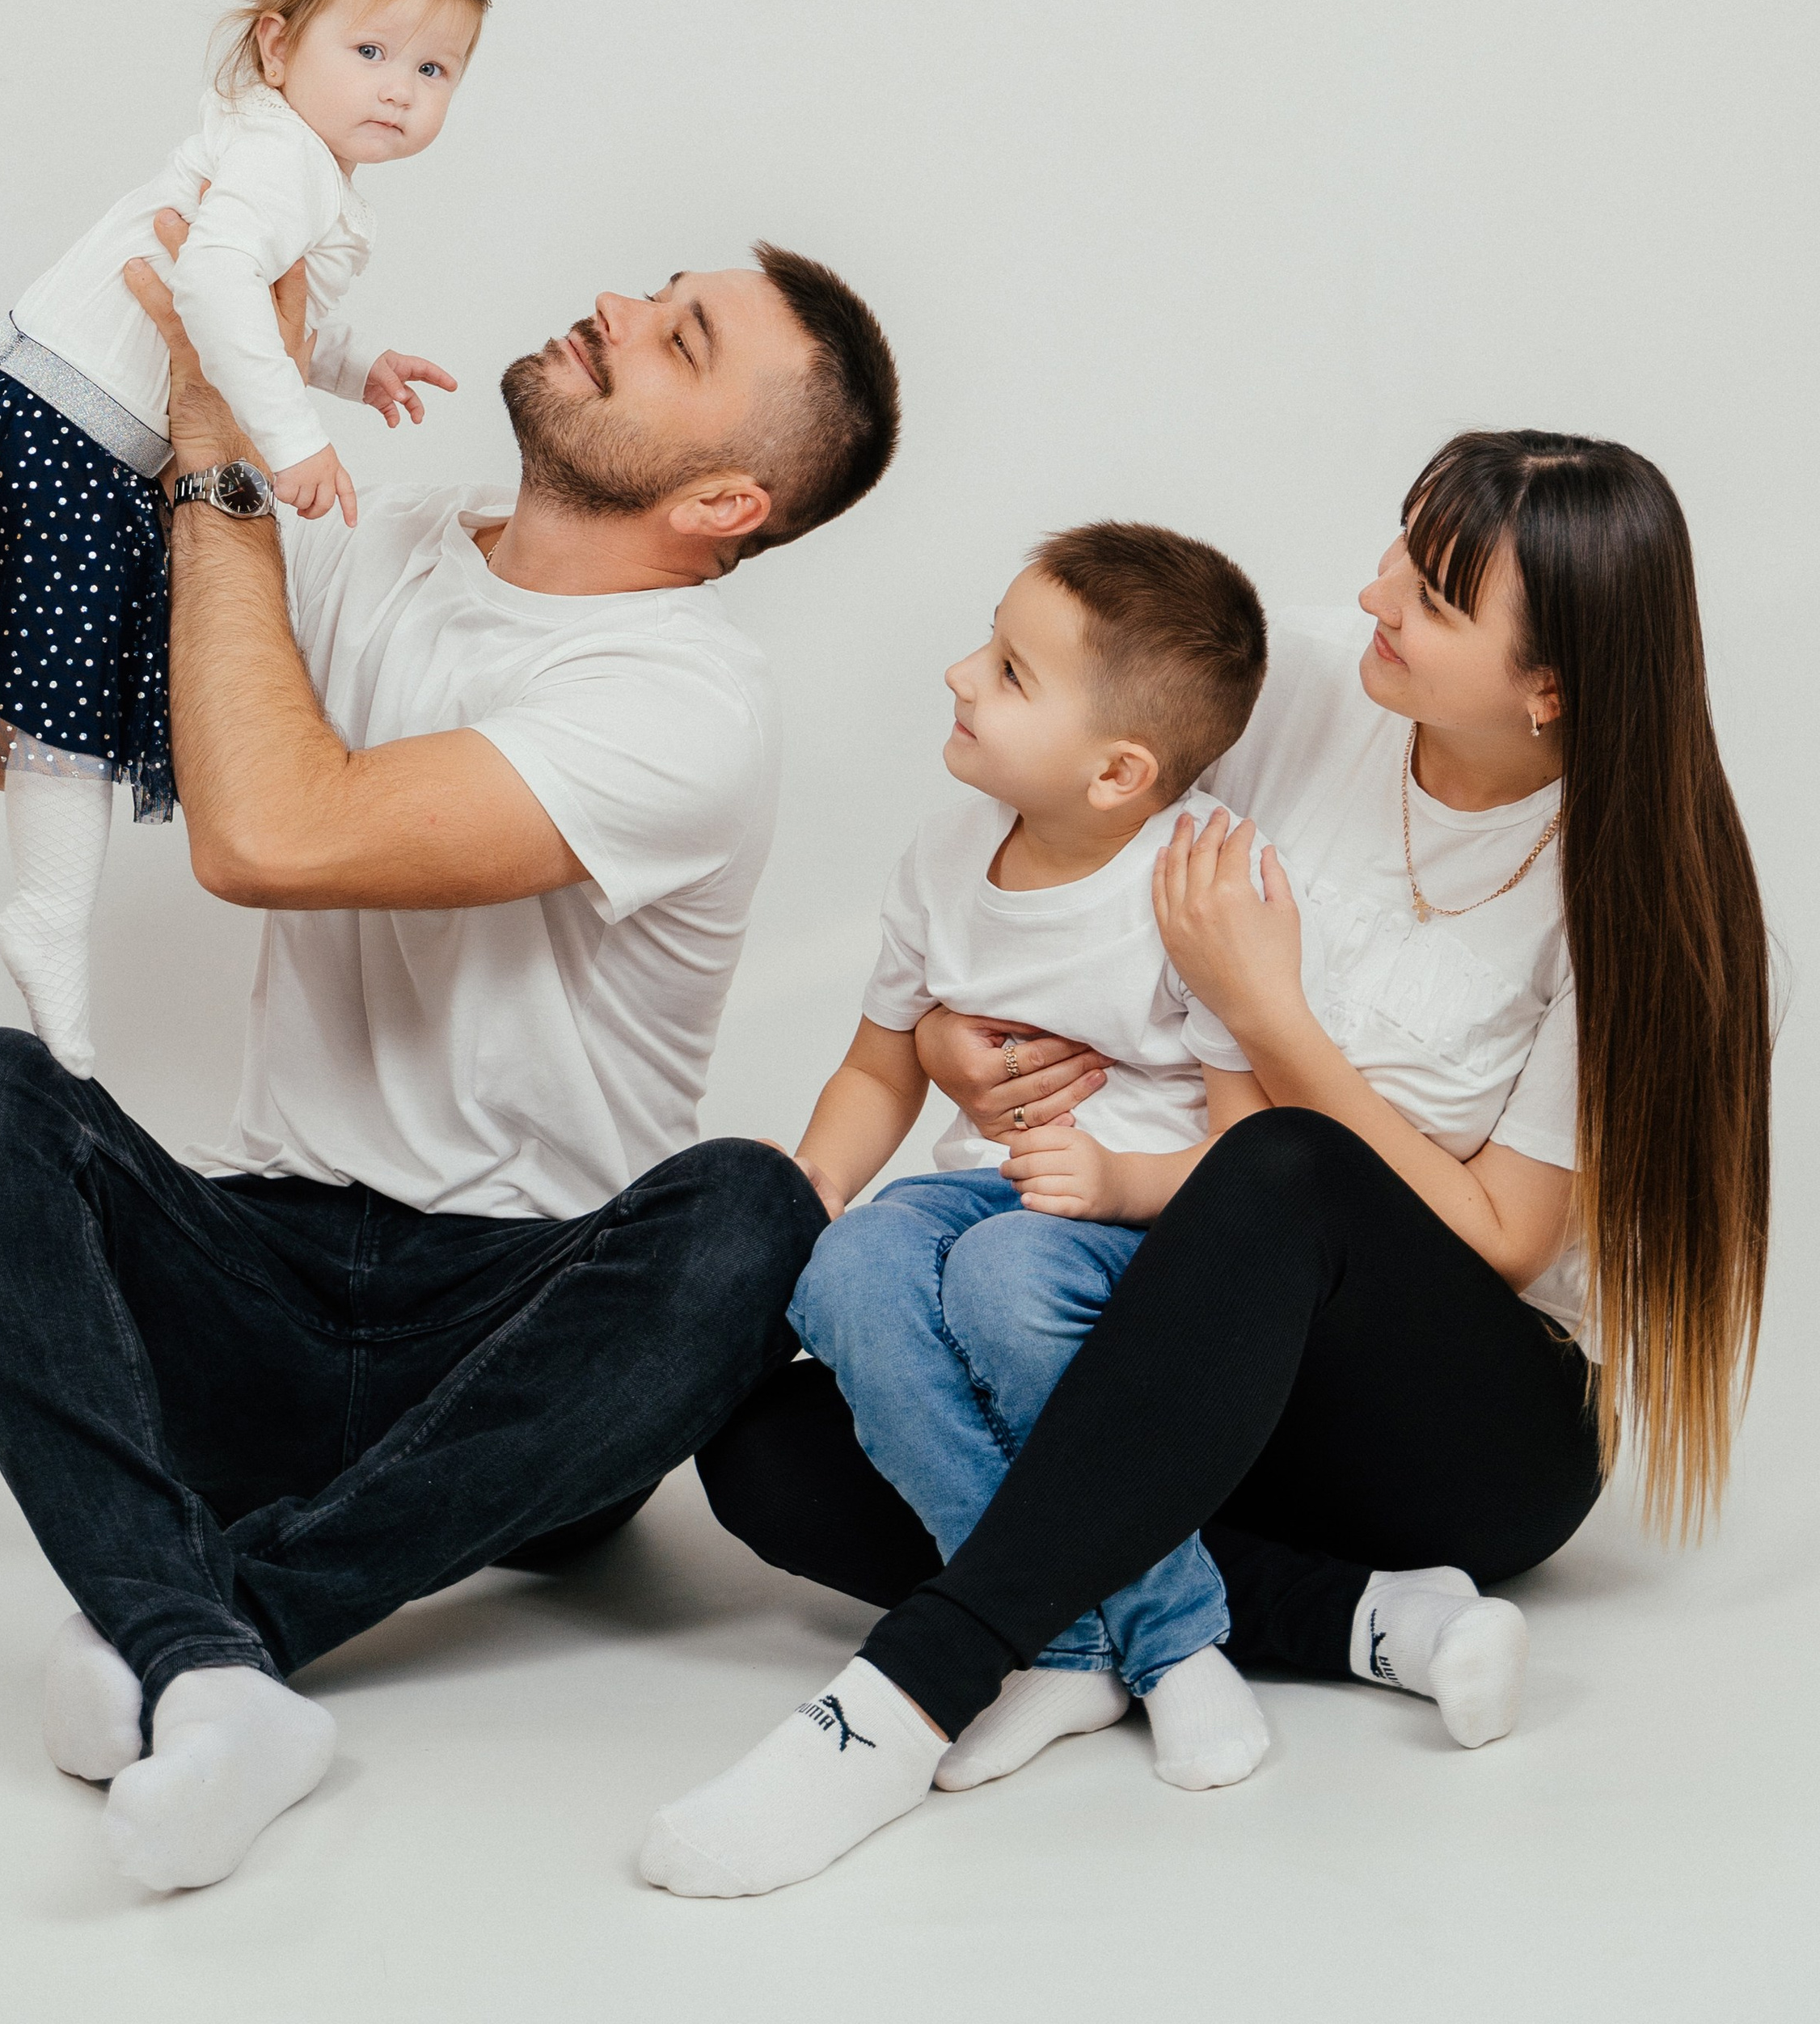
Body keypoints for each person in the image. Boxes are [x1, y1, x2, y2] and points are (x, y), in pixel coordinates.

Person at [0, 219, 901, 1893]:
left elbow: (272, 833)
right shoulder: (389, 542)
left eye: (680, 339)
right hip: (262, 1278)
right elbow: (23, 741)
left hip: (521, 1346)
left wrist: (221, 453)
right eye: (654, 287)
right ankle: (211, 1666)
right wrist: (128, 395)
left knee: (751, 1206)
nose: (616, 307)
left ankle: (209, 1629)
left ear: (725, 505)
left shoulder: (689, 702)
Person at [667, 432, 1773, 1897]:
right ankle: (1348, 1621)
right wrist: (941, 1037)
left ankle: (914, 1691)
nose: (1377, 589)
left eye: (1434, 597)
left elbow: (1504, 1235)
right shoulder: (1315, 680)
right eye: (1398, 544)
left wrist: (1270, 1015)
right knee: (768, 1454)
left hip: (1451, 1419)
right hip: (1181, 1361)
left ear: (1547, 688)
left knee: (1286, 1162)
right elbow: (1061, 829)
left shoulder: (1637, 889)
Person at [0, 0, 482, 1074]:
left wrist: (356, 362)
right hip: (58, 417)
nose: (402, 88)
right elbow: (211, 290)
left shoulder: (290, 159)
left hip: (54, 412)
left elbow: (256, 302)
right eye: (371, 51)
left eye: (438, 68)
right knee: (45, 684)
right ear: (277, 41)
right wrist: (292, 436)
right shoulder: (284, 161)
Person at [761, 525, 1272, 1852]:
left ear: (1120, 770)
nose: (957, 675)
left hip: (1135, 1218)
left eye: (1006, 668)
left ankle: (1172, 1644)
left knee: (1005, 1276)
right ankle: (1052, 1634)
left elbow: (1259, 1154)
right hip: (982, 1187)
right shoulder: (945, 855)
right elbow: (879, 1071)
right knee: (850, 1267)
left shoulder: (1195, 880)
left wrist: (1117, 1178)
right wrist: (799, 1201)